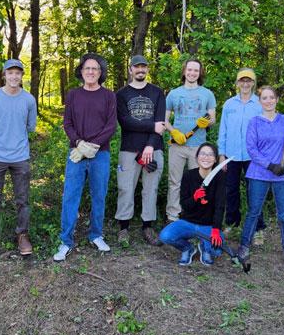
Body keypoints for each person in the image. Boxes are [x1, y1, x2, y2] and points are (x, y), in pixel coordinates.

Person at [53, 53, 117, 261]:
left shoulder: (109, 96)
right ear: (81, 72)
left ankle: (96, 235)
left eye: (95, 69)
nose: (91, 72)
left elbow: (111, 126)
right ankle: (66, 241)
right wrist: (79, 144)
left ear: (100, 73)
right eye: (87, 68)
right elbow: (67, 123)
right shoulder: (73, 95)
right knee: (70, 196)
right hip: (76, 154)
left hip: (101, 154)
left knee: (99, 195)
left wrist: (94, 145)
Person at [235, 86, 284, 271]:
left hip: (283, 175)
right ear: (260, 101)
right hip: (259, 173)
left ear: (277, 99)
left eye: (272, 97)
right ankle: (244, 246)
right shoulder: (254, 122)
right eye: (265, 97)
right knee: (254, 211)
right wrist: (270, 165)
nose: (269, 100)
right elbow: (251, 149)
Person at [0, 59, 37, 257]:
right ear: (4, 74)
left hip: (20, 156)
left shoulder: (29, 100)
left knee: (22, 199)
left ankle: (22, 235)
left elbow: (31, 127)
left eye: (18, 73)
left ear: (22, 76)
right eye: (10, 72)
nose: (14, 76)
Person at [114, 54, 166, 247]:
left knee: (150, 189)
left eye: (144, 67)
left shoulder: (157, 93)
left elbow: (160, 123)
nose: (140, 70)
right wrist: (151, 126)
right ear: (131, 69)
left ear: (147, 69)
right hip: (129, 149)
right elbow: (125, 122)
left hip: (154, 149)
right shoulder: (121, 94)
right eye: (137, 67)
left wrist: (151, 144)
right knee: (125, 188)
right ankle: (123, 228)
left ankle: (147, 226)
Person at [164, 59, 216, 223]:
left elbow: (213, 118)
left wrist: (207, 122)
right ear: (184, 71)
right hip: (177, 145)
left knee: (198, 182)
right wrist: (174, 132)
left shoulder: (207, 94)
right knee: (174, 182)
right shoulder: (173, 93)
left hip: (199, 148)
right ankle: (172, 216)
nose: (192, 73)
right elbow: (164, 120)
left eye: (196, 70)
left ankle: (195, 215)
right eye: (189, 70)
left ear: (200, 73)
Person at [218, 68, 266, 243]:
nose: (245, 84)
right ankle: (232, 223)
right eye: (242, 81)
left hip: (253, 157)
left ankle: (259, 228)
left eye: (249, 81)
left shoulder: (259, 104)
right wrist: (221, 154)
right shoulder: (229, 104)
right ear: (237, 83)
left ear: (253, 83)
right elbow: (223, 129)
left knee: (254, 191)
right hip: (231, 155)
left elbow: (264, 131)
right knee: (231, 191)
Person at [159, 143, 226, 266]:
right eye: (203, 154)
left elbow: (220, 206)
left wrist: (216, 228)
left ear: (215, 159)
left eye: (210, 154)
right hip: (188, 222)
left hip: (208, 225)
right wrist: (194, 198)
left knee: (216, 250)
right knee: (165, 236)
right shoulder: (188, 176)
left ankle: (205, 248)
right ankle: (187, 248)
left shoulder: (220, 177)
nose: (206, 157)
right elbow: (184, 205)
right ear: (196, 157)